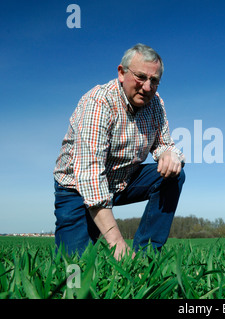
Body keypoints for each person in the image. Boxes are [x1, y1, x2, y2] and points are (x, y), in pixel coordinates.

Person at [53, 43, 185, 260]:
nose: (147, 87)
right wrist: (117, 243)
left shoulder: (155, 104)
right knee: (73, 267)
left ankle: (145, 259)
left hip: (122, 180)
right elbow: (90, 175)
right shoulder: (98, 102)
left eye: (154, 81)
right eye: (141, 77)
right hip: (77, 187)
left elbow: (164, 143)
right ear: (122, 73)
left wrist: (168, 153)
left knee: (175, 174)